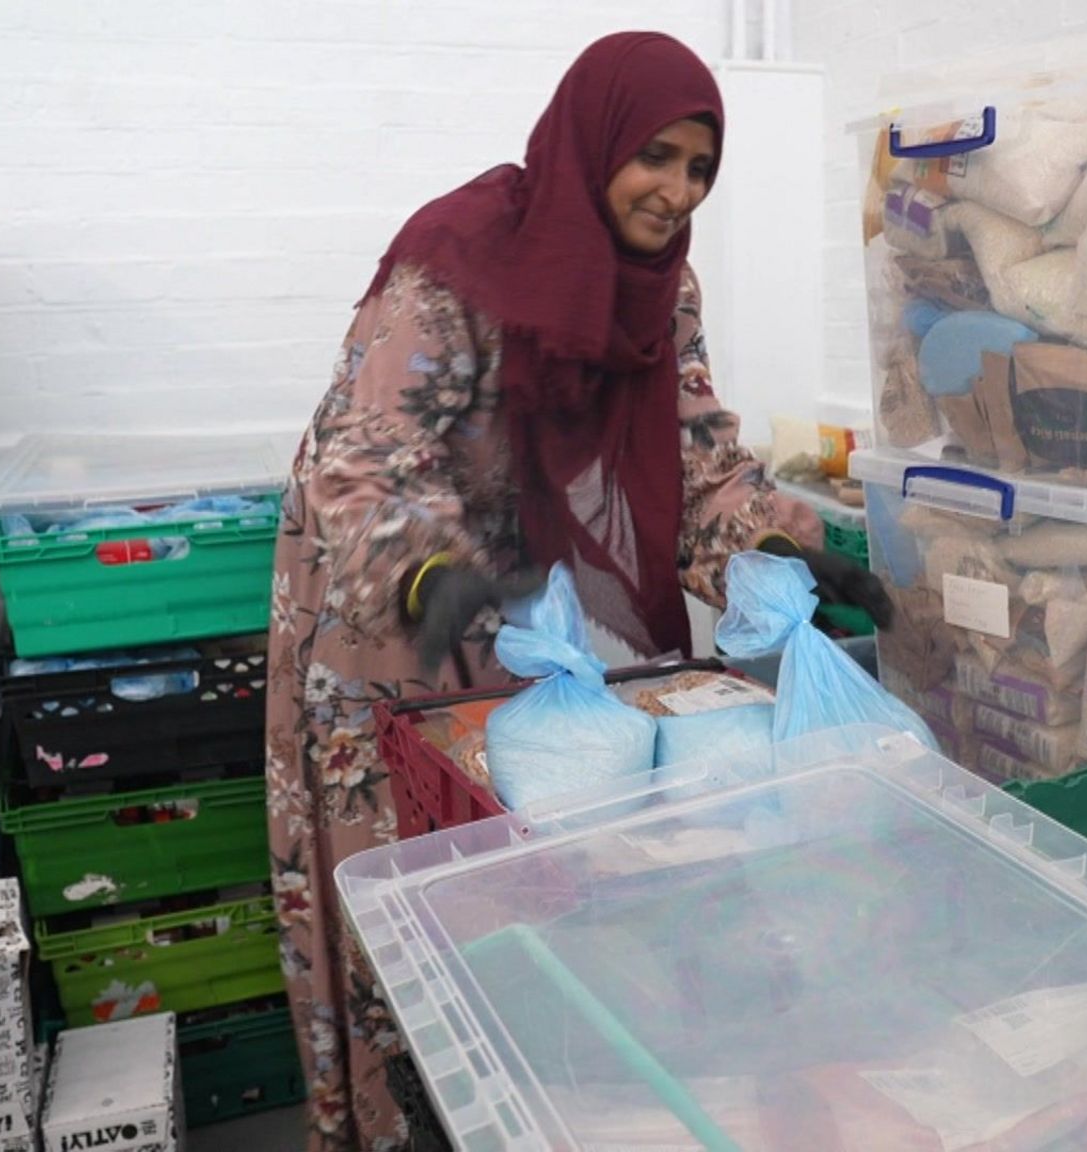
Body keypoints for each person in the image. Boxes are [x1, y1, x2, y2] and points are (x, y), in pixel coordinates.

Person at [265, 31, 890, 1151]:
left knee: (537, 896)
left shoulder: (663, 287)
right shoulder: (457, 259)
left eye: (699, 167)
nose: (675, 189)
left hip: (538, 629)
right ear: (592, 137)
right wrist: (435, 578)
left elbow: (696, 457)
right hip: (392, 622)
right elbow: (354, 463)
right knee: (402, 905)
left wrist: (784, 546)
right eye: (654, 154)